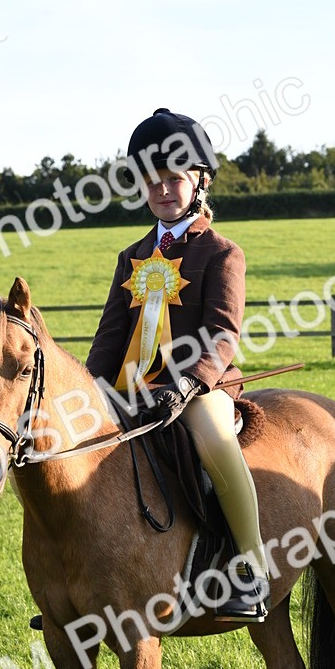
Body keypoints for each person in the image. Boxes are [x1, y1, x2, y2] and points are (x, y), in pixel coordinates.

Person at [86, 108, 270, 622]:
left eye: (174, 180)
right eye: (153, 182)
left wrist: (190, 384)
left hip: (197, 389)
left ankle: (249, 570)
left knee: (212, 440)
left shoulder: (220, 253)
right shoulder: (132, 256)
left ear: (199, 182)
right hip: (130, 387)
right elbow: (110, 335)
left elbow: (223, 331)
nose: (163, 190)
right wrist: (87, 389)